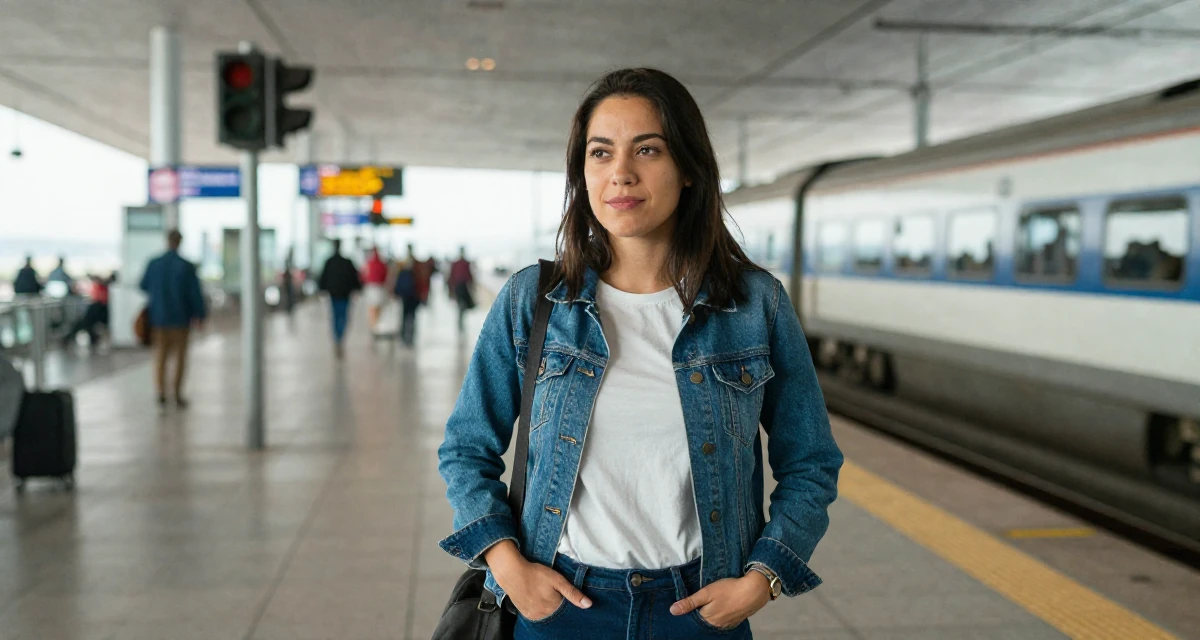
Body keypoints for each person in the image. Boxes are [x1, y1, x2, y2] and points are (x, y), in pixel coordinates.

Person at [437, 69, 842, 639]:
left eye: (646, 149)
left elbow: (812, 461)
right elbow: (465, 449)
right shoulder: (534, 300)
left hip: (701, 610)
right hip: (560, 605)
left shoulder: (755, 305)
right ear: (583, 173)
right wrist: (508, 566)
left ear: (689, 170)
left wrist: (764, 578)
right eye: (600, 153)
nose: (620, 172)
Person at [140, 230, 207, 408]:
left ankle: (161, 392)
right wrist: (199, 315)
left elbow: (143, 285)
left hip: (158, 318)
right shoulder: (186, 266)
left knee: (160, 357)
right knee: (180, 358)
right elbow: (195, 294)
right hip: (180, 320)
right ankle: (177, 394)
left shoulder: (154, 264)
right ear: (180, 242)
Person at [317, 239, 362, 359]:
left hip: (334, 294)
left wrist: (322, 290)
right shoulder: (347, 262)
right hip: (345, 294)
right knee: (343, 316)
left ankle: (337, 337)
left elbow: (323, 278)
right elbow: (355, 278)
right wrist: (357, 289)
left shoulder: (329, 262)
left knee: (335, 316)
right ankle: (340, 336)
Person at [62, 274, 111, 349]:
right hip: (97, 314)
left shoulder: (103, 292)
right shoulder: (102, 290)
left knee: (84, 322)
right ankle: (92, 338)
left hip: (100, 314)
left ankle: (68, 338)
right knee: (85, 323)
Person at [391, 244, 422, 347]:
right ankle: (410, 337)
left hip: (406, 295)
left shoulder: (402, 264)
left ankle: (405, 337)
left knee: (405, 316)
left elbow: (397, 279)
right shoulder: (416, 264)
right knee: (411, 316)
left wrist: (395, 291)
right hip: (413, 295)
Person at [446, 246, 476, 331]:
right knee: (460, 306)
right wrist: (451, 290)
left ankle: (461, 322)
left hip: (463, 287)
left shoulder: (465, 263)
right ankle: (460, 323)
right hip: (458, 287)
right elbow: (451, 277)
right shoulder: (457, 263)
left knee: (462, 306)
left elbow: (469, 276)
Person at [361, 248, 389, 330]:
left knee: (371, 308)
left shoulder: (369, 264)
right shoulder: (381, 264)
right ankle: (375, 324)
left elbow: (363, 276)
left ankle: (373, 325)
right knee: (377, 308)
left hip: (371, 288)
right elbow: (385, 276)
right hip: (379, 288)